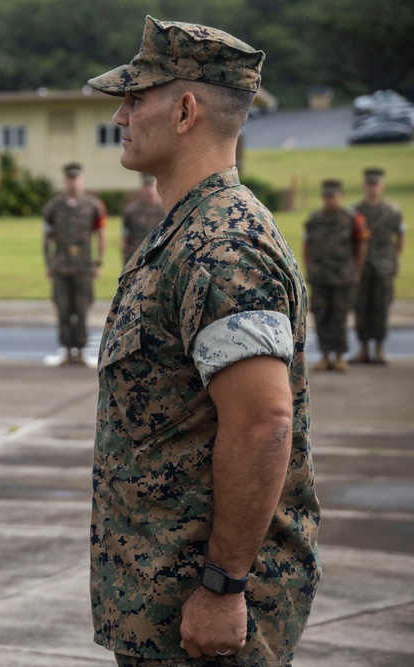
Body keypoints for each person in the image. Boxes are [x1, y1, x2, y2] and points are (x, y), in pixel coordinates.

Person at [86, 16, 320, 666]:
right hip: (163, 600)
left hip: (207, 614)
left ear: (186, 109)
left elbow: (262, 423)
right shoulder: (186, 231)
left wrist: (223, 585)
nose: (121, 115)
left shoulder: (221, 245)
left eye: (136, 98)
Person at [42, 162, 107, 366]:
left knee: (81, 310)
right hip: (61, 266)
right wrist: (48, 263)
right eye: (69, 179)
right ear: (65, 181)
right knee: (63, 310)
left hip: (83, 267)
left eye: (76, 179)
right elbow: (46, 238)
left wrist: (99, 263)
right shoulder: (53, 206)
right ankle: (67, 351)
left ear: (82, 180)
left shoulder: (93, 205)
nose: (73, 183)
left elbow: (101, 235)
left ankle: (79, 351)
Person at [303, 179, 369, 371]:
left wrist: (357, 268)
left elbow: (362, 243)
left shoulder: (353, 218)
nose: (330, 199)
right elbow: (307, 244)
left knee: (340, 316)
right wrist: (309, 267)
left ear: (341, 196)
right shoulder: (314, 219)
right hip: (321, 276)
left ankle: (339, 356)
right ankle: (325, 355)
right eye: (326, 196)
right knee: (321, 315)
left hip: (343, 277)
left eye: (333, 196)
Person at [351, 167, 404, 364]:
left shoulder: (392, 211)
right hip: (362, 268)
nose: (373, 188)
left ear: (382, 186)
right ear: (364, 185)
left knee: (381, 308)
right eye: (370, 184)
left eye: (376, 184)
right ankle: (364, 349)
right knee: (361, 307)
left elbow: (400, 235)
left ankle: (380, 349)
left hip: (383, 267)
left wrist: (393, 259)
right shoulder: (355, 211)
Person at [121, 173, 166, 264]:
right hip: (136, 260)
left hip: (159, 260)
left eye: (151, 185)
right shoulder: (131, 210)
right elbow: (125, 238)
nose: (149, 190)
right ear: (141, 187)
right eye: (146, 186)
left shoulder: (166, 209)